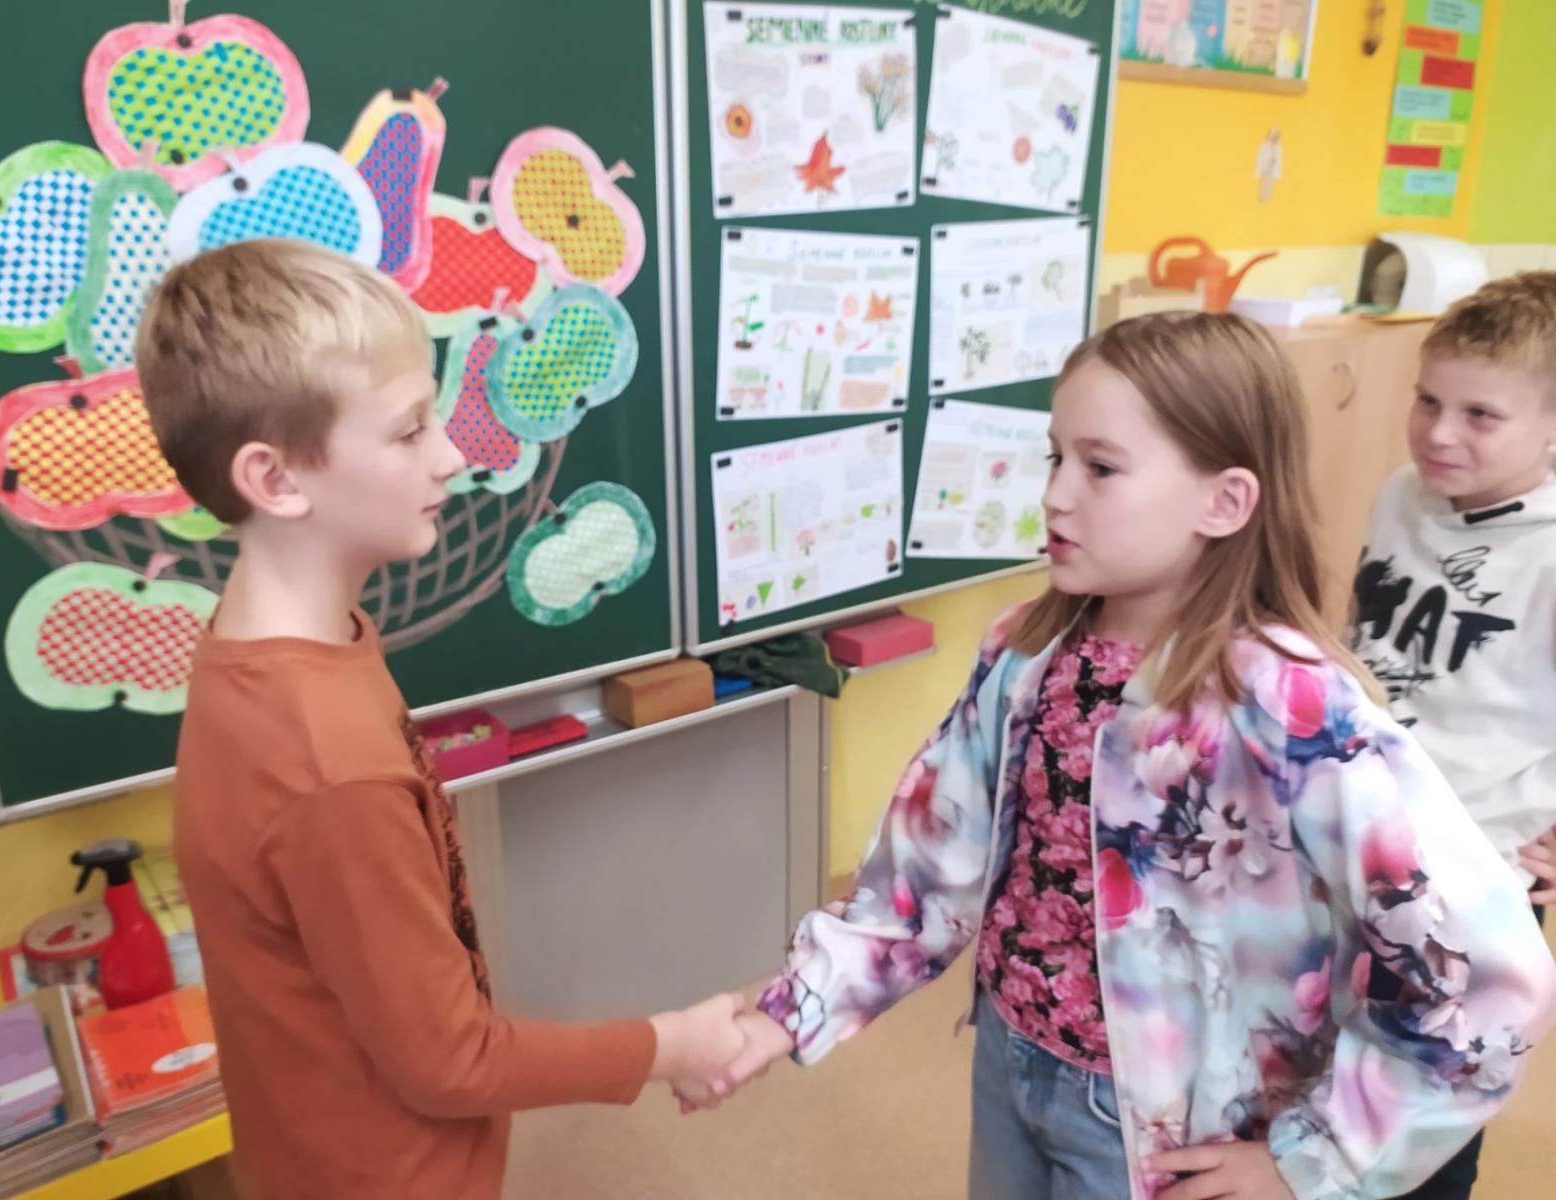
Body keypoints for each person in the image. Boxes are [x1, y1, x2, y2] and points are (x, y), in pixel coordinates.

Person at [722, 312, 1556, 1200]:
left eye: (1101, 468)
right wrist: (791, 1010)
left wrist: (1312, 1160)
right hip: (1012, 1059)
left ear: (1223, 502)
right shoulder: (1024, 651)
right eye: (1055, 458)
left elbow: (1487, 976)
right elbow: (924, 868)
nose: (1055, 495)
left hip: (1168, 1126)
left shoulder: (1290, 704)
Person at [139, 239, 745, 1199]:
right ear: (278, 480)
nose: (454, 455)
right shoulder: (326, 769)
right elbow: (449, 1061)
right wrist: (667, 1045)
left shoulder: (273, 645)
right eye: (409, 431)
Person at [1348, 270, 1556, 1197]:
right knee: (1329, 1070)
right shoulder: (1400, 496)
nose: (1439, 432)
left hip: (1475, 877)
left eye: (1480, 415)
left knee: (1425, 1106)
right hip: (1360, 835)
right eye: (1428, 400)